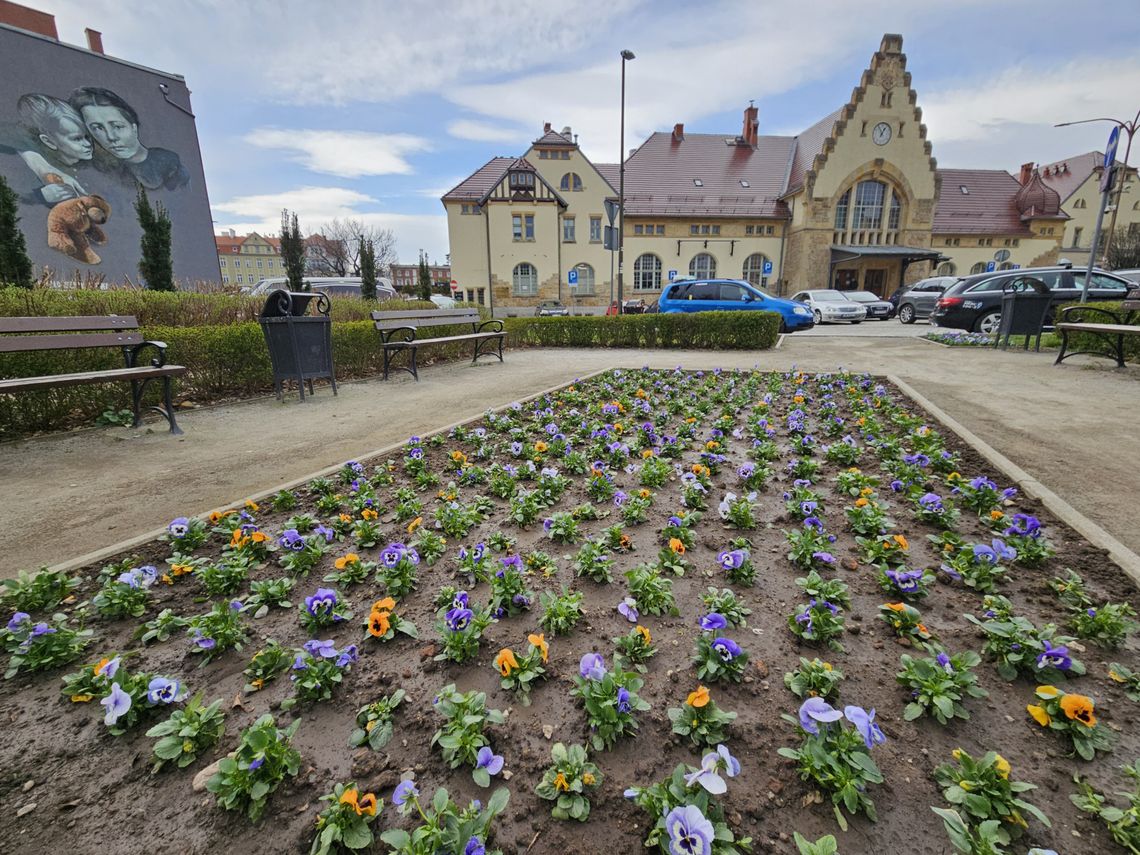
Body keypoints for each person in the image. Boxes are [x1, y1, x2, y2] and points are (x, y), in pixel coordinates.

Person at [68, 86, 189, 191]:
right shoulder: (97, 168)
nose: (111, 137)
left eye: (117, 126)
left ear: (134, 127)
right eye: (98, 128)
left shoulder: (169, 162)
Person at [10, 94, 93, 204]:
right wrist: (40, 196)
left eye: (87, 136)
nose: (88, 144)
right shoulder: (22, 172)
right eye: (77, 139)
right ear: (49, 142)